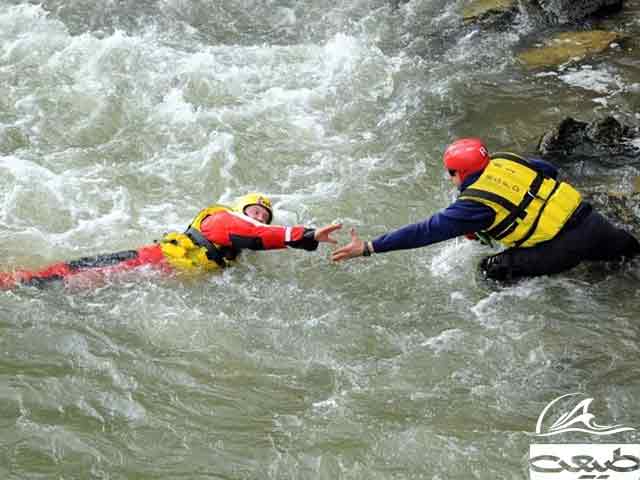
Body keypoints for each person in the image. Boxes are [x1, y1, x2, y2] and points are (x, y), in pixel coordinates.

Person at [331, 138, 640, 281]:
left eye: (449, 173)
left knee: (489, 270)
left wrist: (369, 247)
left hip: (561, 248)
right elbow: (548, 169)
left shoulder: (473, 205)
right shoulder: (505, 159)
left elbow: (425, 232)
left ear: (459, 174)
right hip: (593, 222)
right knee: (630, 254)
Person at [0, 193, 341, 289]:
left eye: (265, 215)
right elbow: (262, 238)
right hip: (150, 261)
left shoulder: (240, 241)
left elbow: (257, 238)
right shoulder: (224, 221)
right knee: (72, 278)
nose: (260, 217)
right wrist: (307, 236)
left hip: (160, 272)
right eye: (255, 211)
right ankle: (12, 282)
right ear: (240, 210)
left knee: (80, 283)